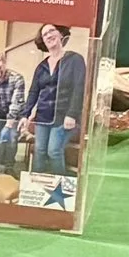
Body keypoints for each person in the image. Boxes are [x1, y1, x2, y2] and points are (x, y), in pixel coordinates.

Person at [21, 25, 89, 175]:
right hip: (43, 117)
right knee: (39, 150)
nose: (49, 35)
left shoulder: (74, 59)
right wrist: (25, 114)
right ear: (43, 41)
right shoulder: (41, 66)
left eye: (52, 31)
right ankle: (37, 186)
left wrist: (72, 114)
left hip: (64, 117)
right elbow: (34, 91)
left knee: (54, 151)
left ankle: (59, 188)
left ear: (60, 34)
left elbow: (80, 88)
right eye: (45, 34)